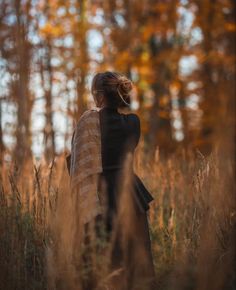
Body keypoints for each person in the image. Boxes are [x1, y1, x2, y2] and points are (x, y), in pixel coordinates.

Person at [69, 71, 156, 290]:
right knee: (136, 270)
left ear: (98, 97)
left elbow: (76, 165)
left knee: (102, 272)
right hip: (131, 198)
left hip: (101, 200)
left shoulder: (89, 121)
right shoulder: (133, 122)